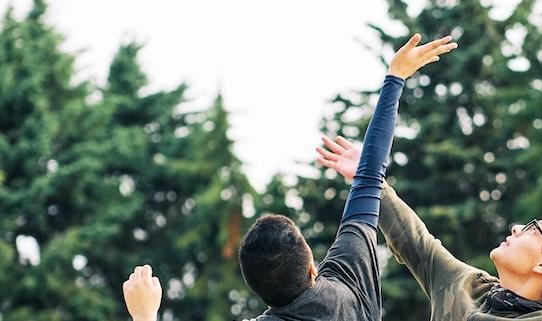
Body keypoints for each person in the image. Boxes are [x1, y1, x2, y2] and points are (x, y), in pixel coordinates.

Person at [122, 33, 458, 321]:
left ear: (259, 294)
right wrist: (394, 77)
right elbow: (371, 174)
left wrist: (145, 315)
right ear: (312, 267)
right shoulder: (350, 282)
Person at [316, 136, 542, 321]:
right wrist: (371, 179)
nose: (518, 227)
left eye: (535, 229)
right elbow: (416, 243)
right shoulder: (468, 286)